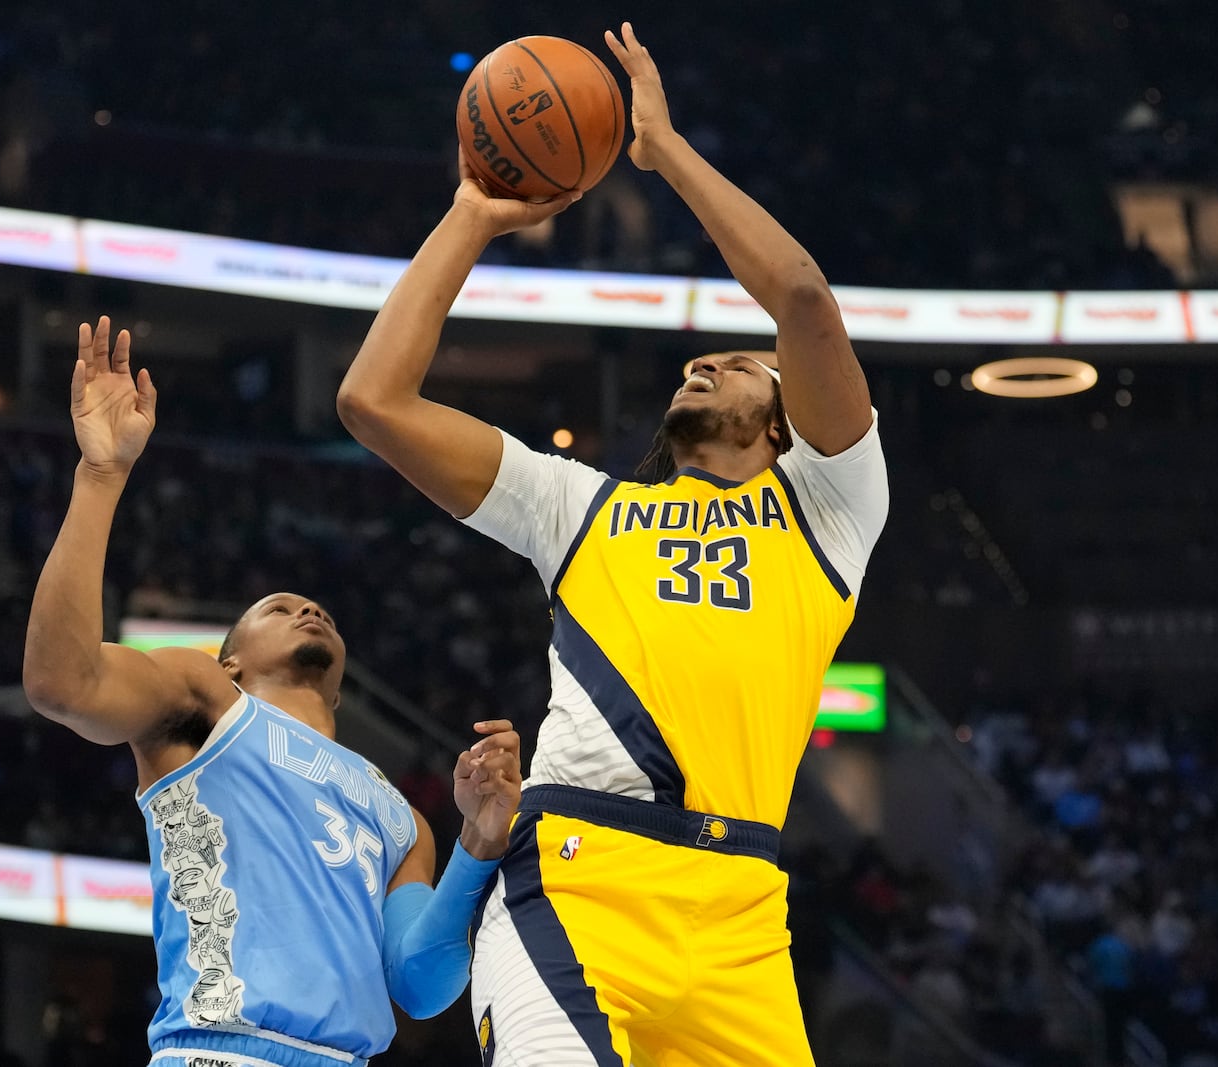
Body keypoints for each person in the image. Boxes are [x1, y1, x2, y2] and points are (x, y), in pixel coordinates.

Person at [336, 23, 888, 1067]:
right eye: (700, 357)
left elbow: (803, 296)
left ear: (783, 425)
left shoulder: (832, 508)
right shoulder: (578, 507)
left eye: (734, 361)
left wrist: (663, 152)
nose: (704, 364)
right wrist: (469, 214)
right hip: (579, 882)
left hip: (740, 924)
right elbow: (372, 399)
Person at [23, 317, 523, 1067]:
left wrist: (480, 842)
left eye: (314, 606)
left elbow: (420, 984)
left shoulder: (402, 815)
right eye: (277, 607)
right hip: (224, 1051)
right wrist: (100, 477)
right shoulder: (206, 702)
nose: (306, 607)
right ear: (229, 663)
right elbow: (62, 682)